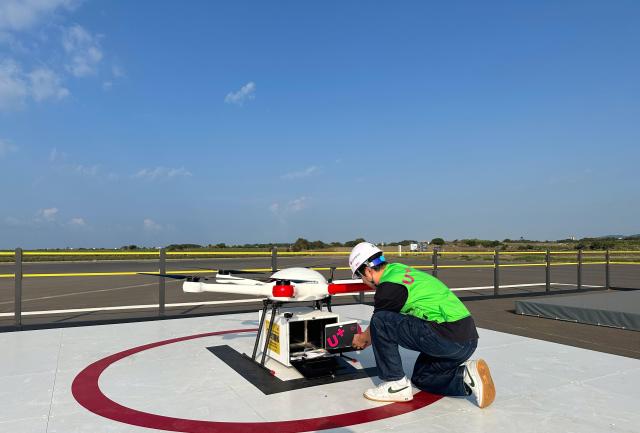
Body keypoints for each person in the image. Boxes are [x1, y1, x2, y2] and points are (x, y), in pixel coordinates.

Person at [349, 241, 495, 408]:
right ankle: (465, 377)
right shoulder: (399, 269)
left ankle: (395, 385)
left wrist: (360, 339)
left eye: (360, 277)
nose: (363, 282)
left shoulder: (388, 287)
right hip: (467, 340)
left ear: (368, 271)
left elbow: (378, 327)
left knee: (380, 321)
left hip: (447, 336)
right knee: (422, 377)